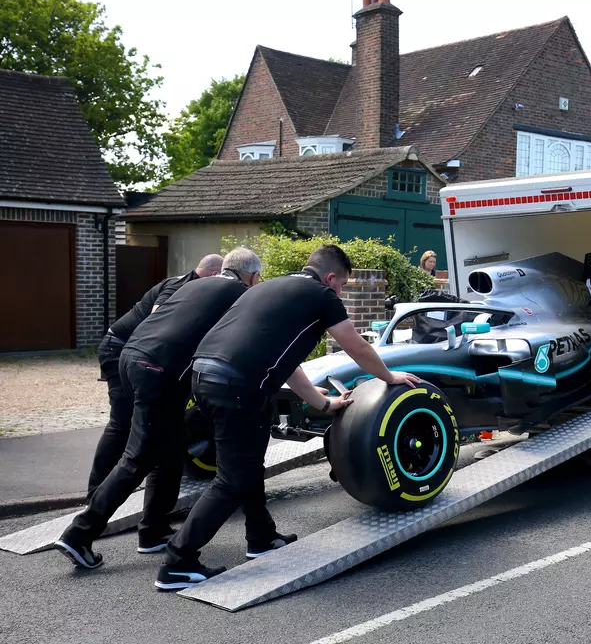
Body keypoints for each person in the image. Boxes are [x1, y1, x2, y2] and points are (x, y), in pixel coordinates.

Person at [154, 243, 420, 590]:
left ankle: (261, 538)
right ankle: (177, 562)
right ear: (329, 278)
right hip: (236, 384)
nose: (340, 291)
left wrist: (322, 404)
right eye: (341, 284)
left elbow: (285, 360)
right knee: (233, 478)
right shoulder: (322, 295)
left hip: (204, 375)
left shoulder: (270, 286)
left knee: (247, 465)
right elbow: (355, 345)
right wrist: (390, 377)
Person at [54, 248, 263, 571]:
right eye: (258, 278)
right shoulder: (238, 293)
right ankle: (79, 534)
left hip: (132, 356)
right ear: (250, 276)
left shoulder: (193, 284)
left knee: (171, 451)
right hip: (158, 370)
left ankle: (153, 530)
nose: (257, 283)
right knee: (138, 456)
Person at [87, 254, 224, 504]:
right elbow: (157, 319)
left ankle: (121, 487)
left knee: (148, 426)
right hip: (121, 348)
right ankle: (96, 492)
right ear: (215, 275)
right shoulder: (179, 286)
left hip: (134, 351)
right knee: (122, 423)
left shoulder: (191, 286)